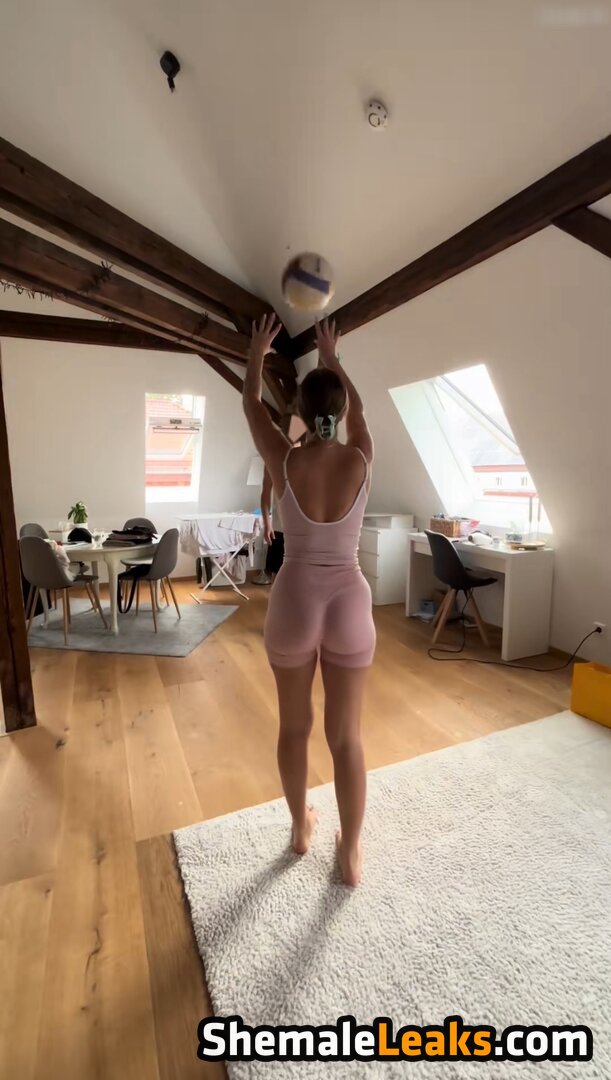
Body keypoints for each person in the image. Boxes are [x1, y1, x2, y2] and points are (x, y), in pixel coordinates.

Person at [243, 315, 375, 886]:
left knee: (294, 728)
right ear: (339, 413)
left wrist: (257, 352)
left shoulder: (285, 458)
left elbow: (252, 404)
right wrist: (332, 357)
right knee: (346, 737)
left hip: (294, 599)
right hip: (349, 602)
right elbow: (359, 410)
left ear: (299, 409)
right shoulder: (360, 456)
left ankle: (301, 829)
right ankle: (350, 853)